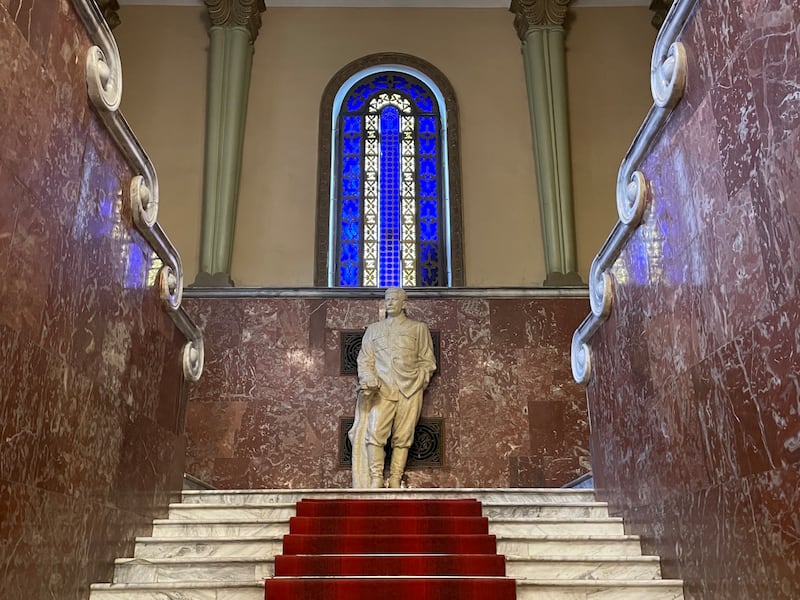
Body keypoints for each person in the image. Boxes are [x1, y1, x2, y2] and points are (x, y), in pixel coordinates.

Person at [348, 287, 436, 488]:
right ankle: (376, 478)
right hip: (382, 390)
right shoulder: (373, 330)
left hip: (410, 388)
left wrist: (420, 378)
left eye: (394, 299)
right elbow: (365, 360)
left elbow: (427, 361)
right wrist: (369, 378)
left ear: (404, 303)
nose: (390, 302)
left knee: (403, 436)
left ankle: (395, 478)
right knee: (375, 433)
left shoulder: (418, 329)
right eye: (387, 299)